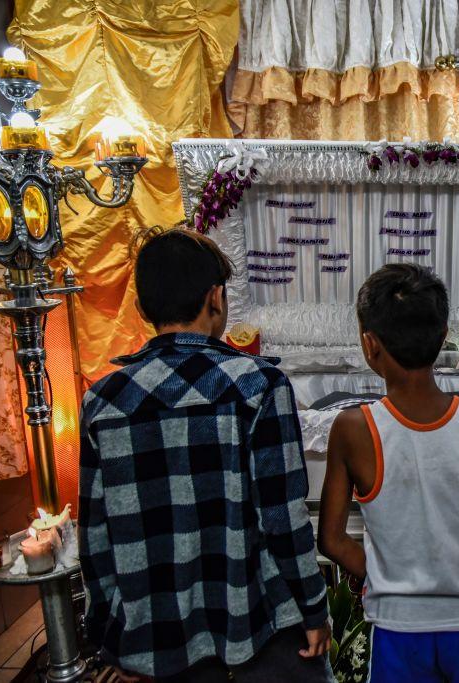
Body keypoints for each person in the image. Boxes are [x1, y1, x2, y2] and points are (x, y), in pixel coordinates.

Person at [78, 227, 331, 683]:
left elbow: (95, 537)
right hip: (253, 624)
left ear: (141, 309)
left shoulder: (102, 402)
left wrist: (112, 638)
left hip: (157, 635)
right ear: (217, 298)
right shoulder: (259, 386)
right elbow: (283, 517)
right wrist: (313, 608)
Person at [318, 263, 459, 683]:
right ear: (443, 335)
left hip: (398, 627)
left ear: (369, 344)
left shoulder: (353, 428)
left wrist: (386, 578)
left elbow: (332, 539)